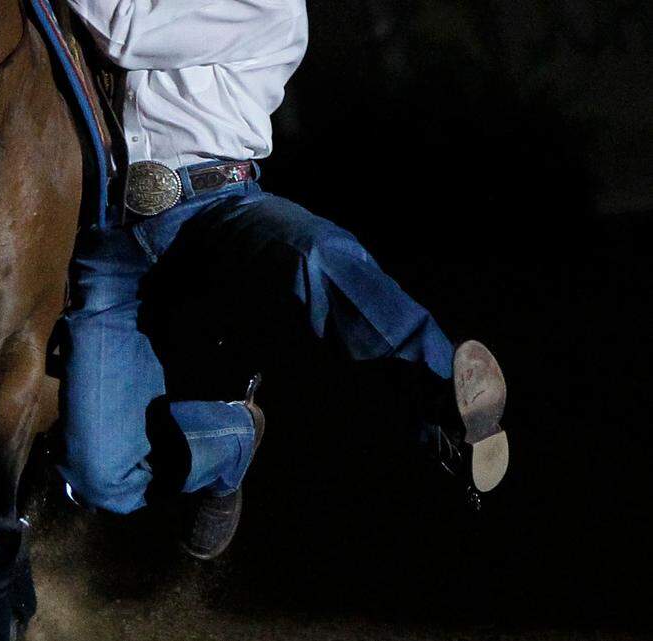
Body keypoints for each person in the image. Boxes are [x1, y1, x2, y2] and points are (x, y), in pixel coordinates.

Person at [57, 0, 510, 559]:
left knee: (314, 251)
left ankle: (446, 389)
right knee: (100, 481)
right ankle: (230, 442)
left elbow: (126, 34)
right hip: (111, 234)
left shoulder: (271, 5)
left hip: (216, 204)